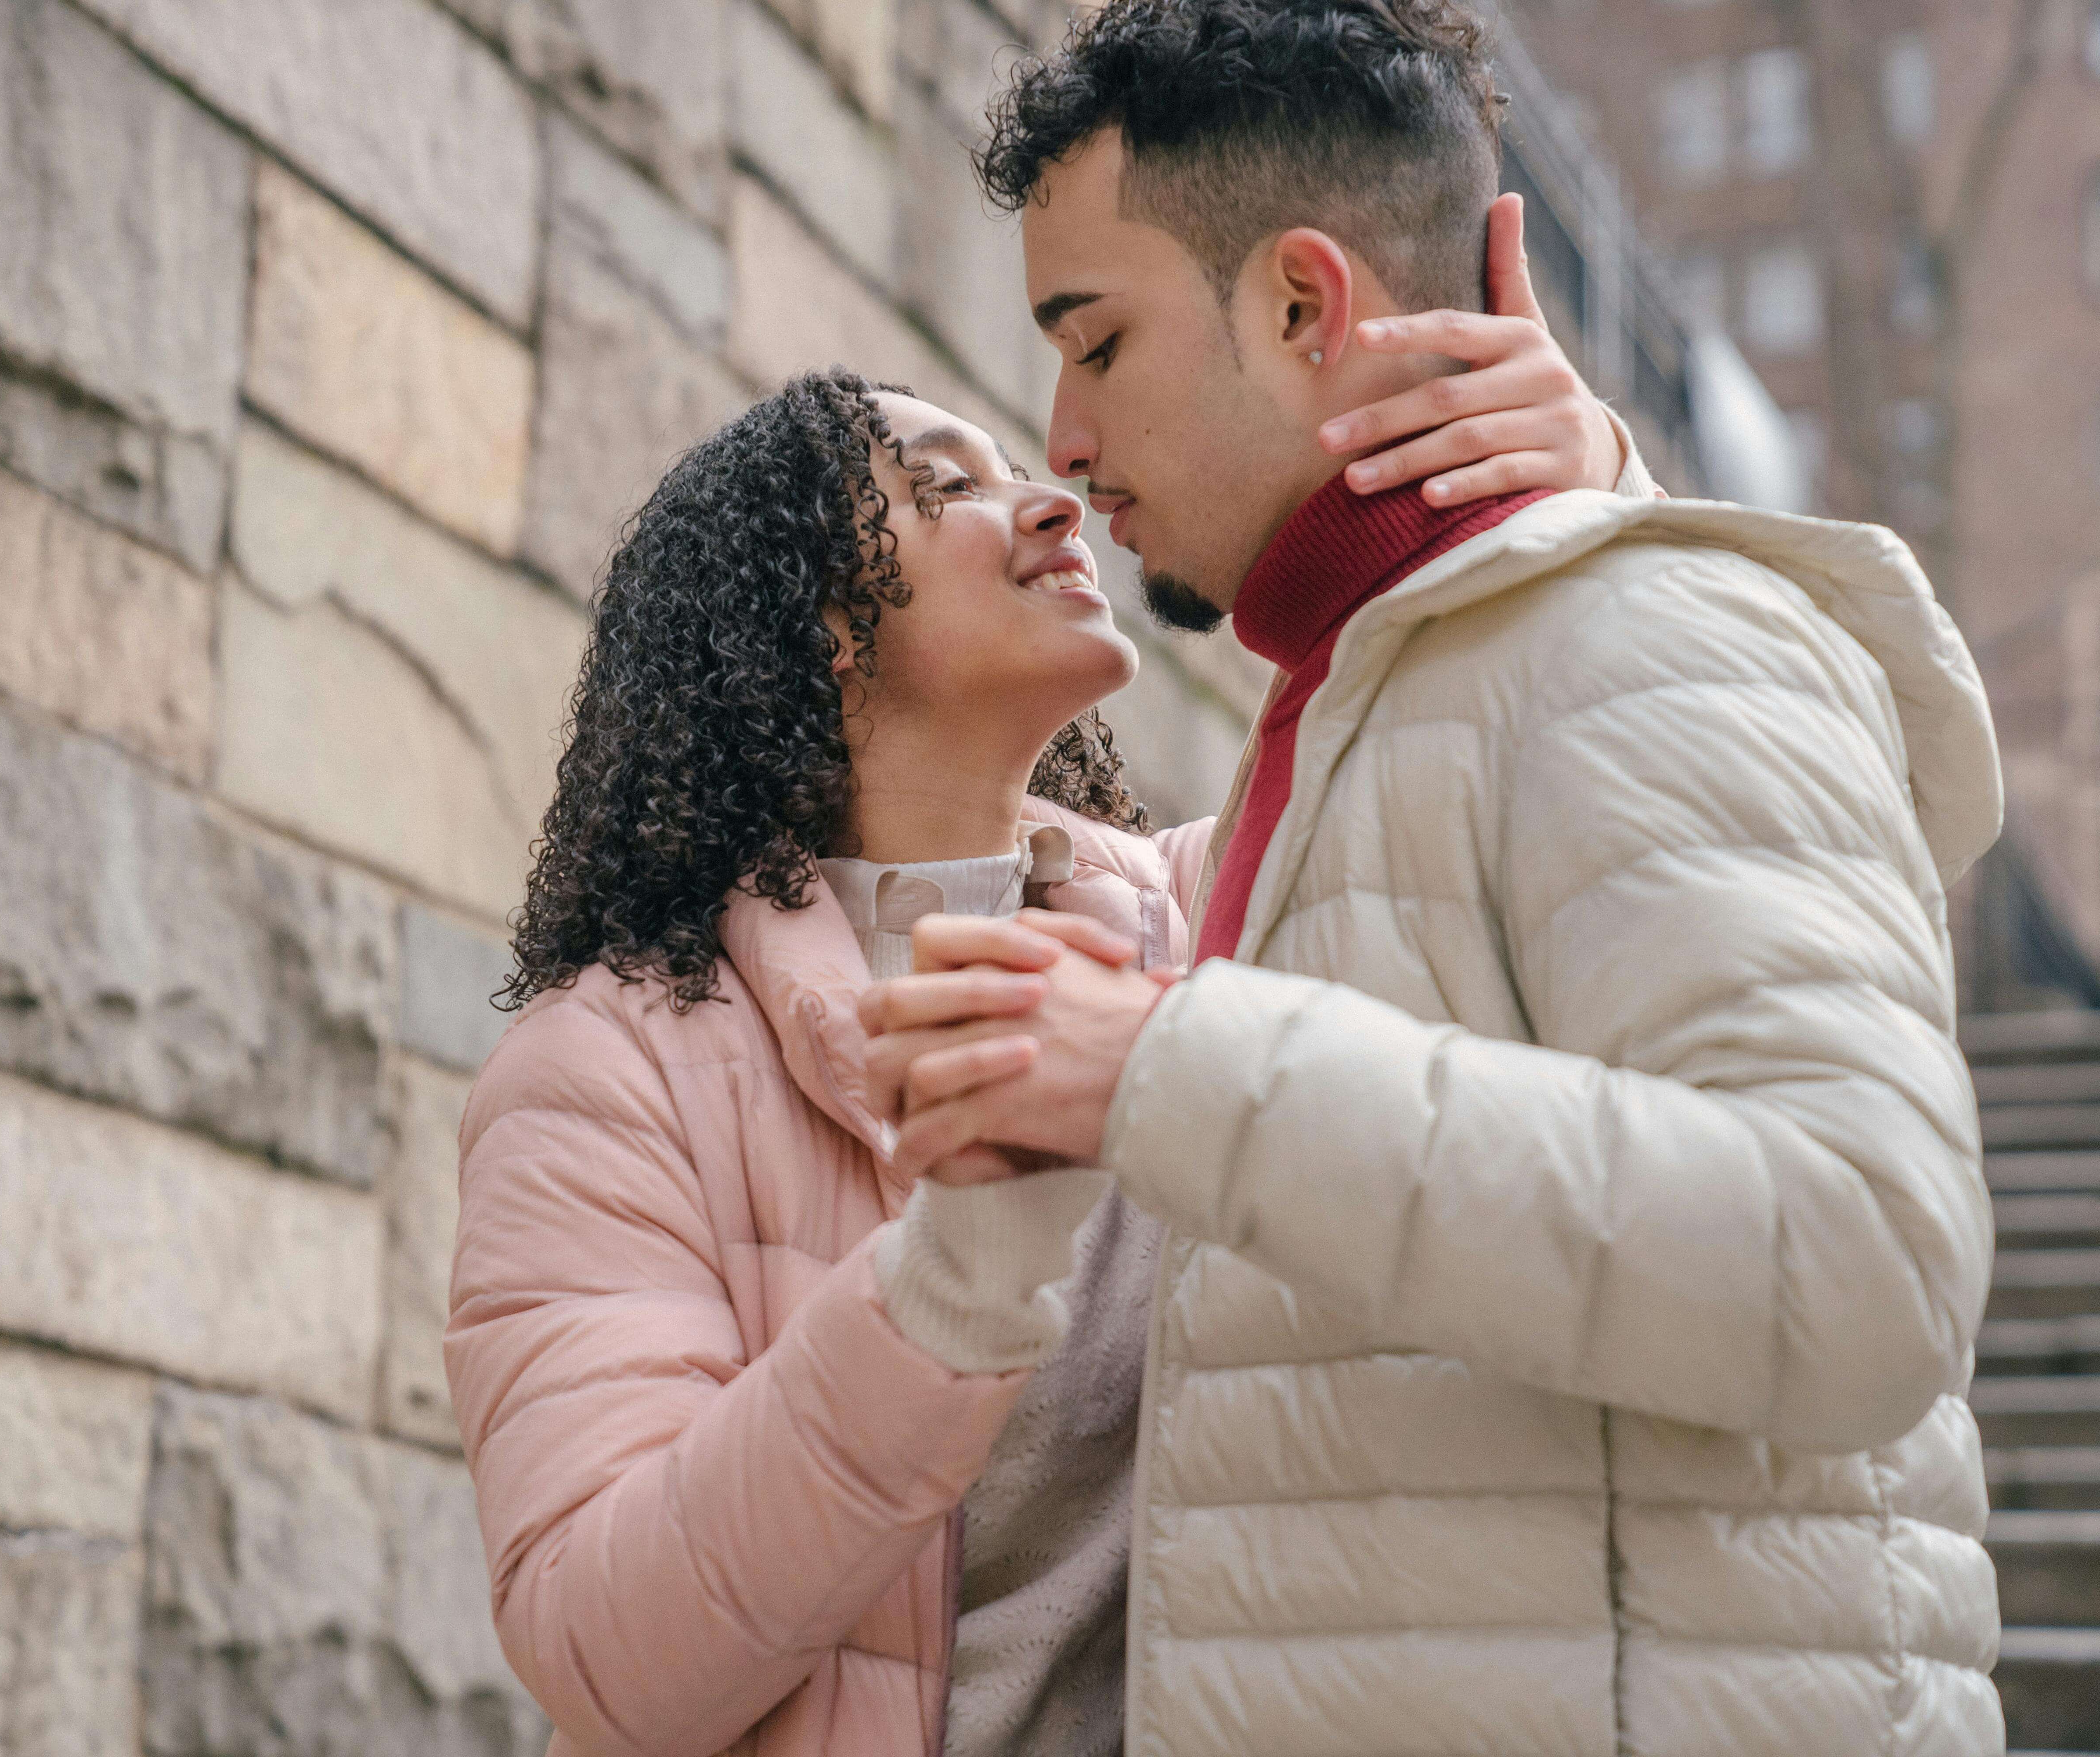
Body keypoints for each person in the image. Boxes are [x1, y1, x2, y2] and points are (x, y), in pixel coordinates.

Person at [859, 4, 2006, 1754]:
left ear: (1306, 304)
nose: (1063, 444)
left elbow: (1866, 1261)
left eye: (1095, 344)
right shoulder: (1355, 707)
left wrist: (1170, 1069)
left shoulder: (1647, 637)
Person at [444, 247, 1649, 1750]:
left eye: (1021, 466)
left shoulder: (1240, 904)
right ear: (807, 631)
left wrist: (1590, 494)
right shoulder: (609, 1069)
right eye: (945, 486)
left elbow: (1642, 837)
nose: (1052, 500)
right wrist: (957, 1279)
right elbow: (610, 1654)